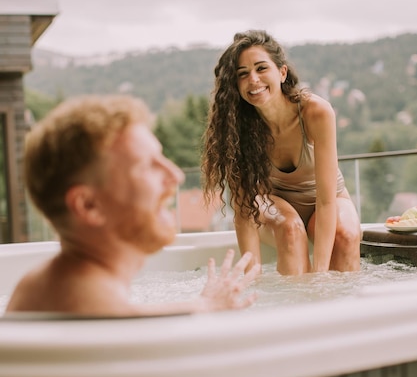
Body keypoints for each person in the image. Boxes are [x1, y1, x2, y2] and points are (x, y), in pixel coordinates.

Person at [5, 95, 260, 316]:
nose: (176, 175)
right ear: (89, 206)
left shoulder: (46, 286)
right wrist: (207, 308)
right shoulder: (95, 309)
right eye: (147, 165)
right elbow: (122, 318)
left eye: (162, 157)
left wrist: (204, 306)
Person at [202, 30, 361, 275]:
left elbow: (327, 201)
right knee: (290, 228)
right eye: (242, 74)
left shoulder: (315, 112)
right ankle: (293, 311)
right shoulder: (237, 127)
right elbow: (244, 210)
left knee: (347, 235)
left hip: (328, 201)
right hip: (275, 203)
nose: (253, 79)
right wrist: (250, 277)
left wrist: (320, 277)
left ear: (282, 72)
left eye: (261, 68)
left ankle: (342, 309)